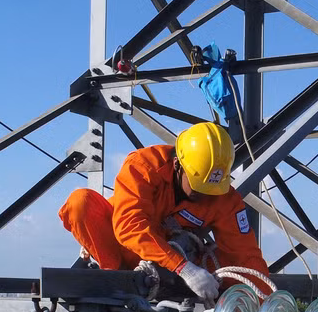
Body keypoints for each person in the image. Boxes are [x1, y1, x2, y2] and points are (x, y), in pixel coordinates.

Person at [58, 121, 271, 302]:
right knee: (80, 202)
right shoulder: (143, 166)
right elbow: (129, 226)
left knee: (238, 272)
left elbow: (245, 255)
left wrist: (270, 304)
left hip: (176, 264)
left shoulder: (223, 198)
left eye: (212, 189)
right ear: (179, 165)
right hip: (126, 250)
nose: (207, 195)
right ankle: (113, 275)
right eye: (199, 187)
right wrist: (184, 268)